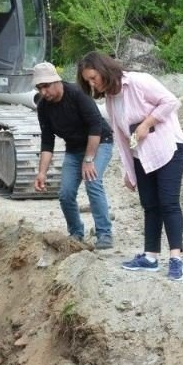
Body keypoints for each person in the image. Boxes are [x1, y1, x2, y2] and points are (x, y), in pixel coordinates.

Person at [77, 52, 183, 281]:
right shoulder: (111, 100)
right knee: (149, 205)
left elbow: (170, 101)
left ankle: (176, 259)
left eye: (93, 78)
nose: (92, 84)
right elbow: (122, 139)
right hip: (141, 155)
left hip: (168, 148)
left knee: (168, 203)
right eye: (88, 81)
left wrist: (147, 123)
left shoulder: (138, 81)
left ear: (103, 70)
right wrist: (129, 171)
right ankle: (150, 257)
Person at [32, 61, 114, 250]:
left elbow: (95, 126)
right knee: (66, 193)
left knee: (92, 181)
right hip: (74, 148)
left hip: (100, 142)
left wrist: (89, 159)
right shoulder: (43, 107)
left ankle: (104, 233)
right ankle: (76, 232)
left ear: (56, 80)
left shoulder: (77, 94)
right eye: (39, 88)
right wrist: (42, 173)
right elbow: (47, 141)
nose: (43, 92)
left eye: (46, 86)